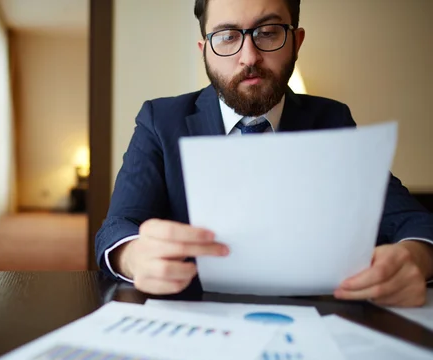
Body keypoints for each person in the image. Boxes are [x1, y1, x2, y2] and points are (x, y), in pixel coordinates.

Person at [95, 0, 433, 307]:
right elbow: (117, 227)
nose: (250, 57)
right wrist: (134, 256)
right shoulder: (160, 121)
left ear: (296, 41)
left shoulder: (332, 120)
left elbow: (414, 221)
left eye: (268, 33)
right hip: (193, 317)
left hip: (312, 317)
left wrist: (413, 259)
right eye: (227, 36)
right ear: (205, 50)